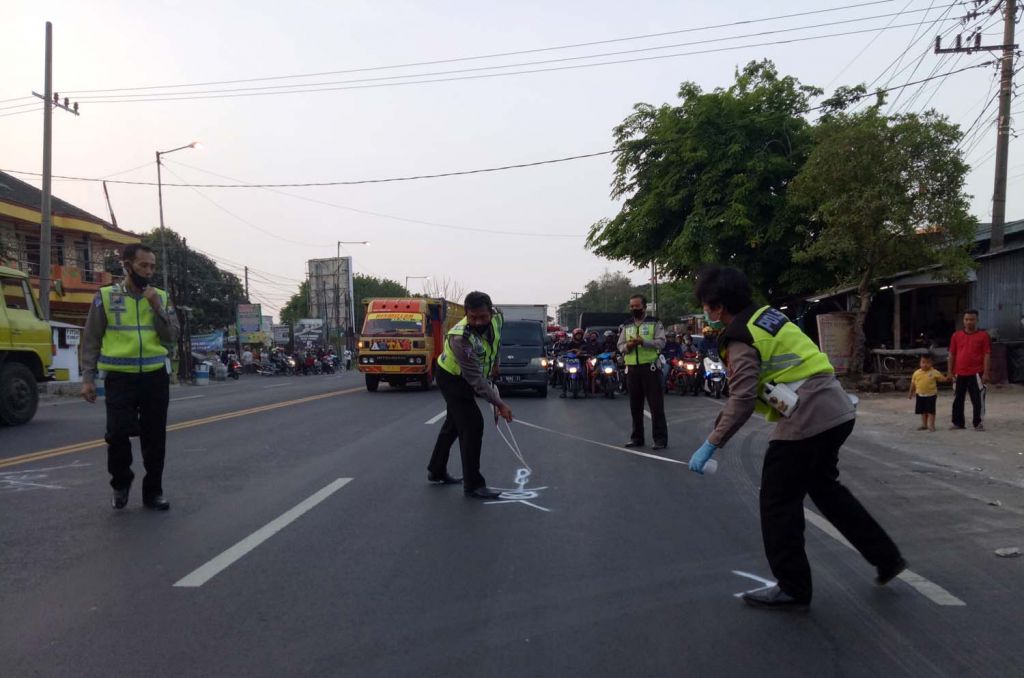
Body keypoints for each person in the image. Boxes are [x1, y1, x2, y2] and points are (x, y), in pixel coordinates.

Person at [688, 265, 904, 611]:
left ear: (717, 305)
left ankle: (792, 587)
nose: (705, 312)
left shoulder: (739, 337)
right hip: (835, 407)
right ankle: (886, 557)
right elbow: (745, 394)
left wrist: (712, 443)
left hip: (808, 416)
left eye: (706, 305)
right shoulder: (766, 317)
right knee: (825, 490)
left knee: (777, 501)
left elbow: (742, 399)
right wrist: (716, 429)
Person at [80, 244, 178, 511]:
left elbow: (172, 336)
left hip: (154, 377)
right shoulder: (106, 296)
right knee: (117, 434)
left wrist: (157, 307)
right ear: (127, 265)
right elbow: (91, 340)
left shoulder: (160, 297)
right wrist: (88, 377)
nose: (148, 271)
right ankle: (121, 483)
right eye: (143, 265)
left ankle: (153, 492)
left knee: (154, 438)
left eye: (152, 266)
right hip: (119, 378)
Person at [428, 291, 513, 500]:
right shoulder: (460, 338)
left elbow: (496, 342)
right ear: (466, 313)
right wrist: (500, 404)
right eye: (473, 317)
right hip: (452, 378)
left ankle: (436, 470)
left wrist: (495, 365)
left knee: (454, 424)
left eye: (483, 317)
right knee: (473, 424)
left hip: (468, 376)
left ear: (491, 312)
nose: (478, 322)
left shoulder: (498, 318)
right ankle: (473, 485)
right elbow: (475, 379)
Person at [617, 294, 668, 449]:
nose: (634, 309)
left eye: (636, 306)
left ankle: (660, 440)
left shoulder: (655, 323)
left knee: (656, 406)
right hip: (632, 369)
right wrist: (629, 346)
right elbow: (620, 345)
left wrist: (643, 342)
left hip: (650, 369)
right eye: (631, 306)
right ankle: (637, 438)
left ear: (644, 307)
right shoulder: (626, 325)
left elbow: (661, 342)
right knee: (635, 406)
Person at [948, 310, 991, 431]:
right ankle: (958, 423)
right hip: (959, 372)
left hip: (977, 372)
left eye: (971, 319)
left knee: (978, 399)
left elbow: (987, 355)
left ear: (977, 320)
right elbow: (951, 354)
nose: (968, 322)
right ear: (963, 320)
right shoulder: (956, 335)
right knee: (958, 399)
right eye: (966, 319)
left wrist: (986, 373)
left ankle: (978, 423)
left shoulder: (983, 336)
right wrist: (950, 371)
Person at [909, 354, 947, 432]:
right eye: (923, 362)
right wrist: (910, 393)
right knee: (923, 411)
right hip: (920, 395)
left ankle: (932, 425)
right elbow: (913, 384)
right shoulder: (916, 373)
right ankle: (924, 425)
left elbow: (942, 379)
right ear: (920, 363)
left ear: (931, 363)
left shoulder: (934, 372)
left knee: (931, 411)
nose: (925, 364)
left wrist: (948, 378)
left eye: (928, 362)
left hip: (931, 395)